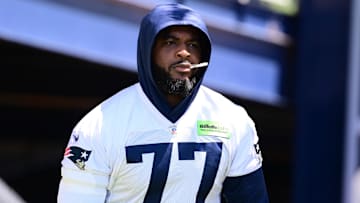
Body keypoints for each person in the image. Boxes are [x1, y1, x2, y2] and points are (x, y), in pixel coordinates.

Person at [57, 3, 269, 203]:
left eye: (193, 44)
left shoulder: (233, 120)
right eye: (170, 42)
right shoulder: (98, 126)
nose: (184, 52)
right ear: (148, 50)